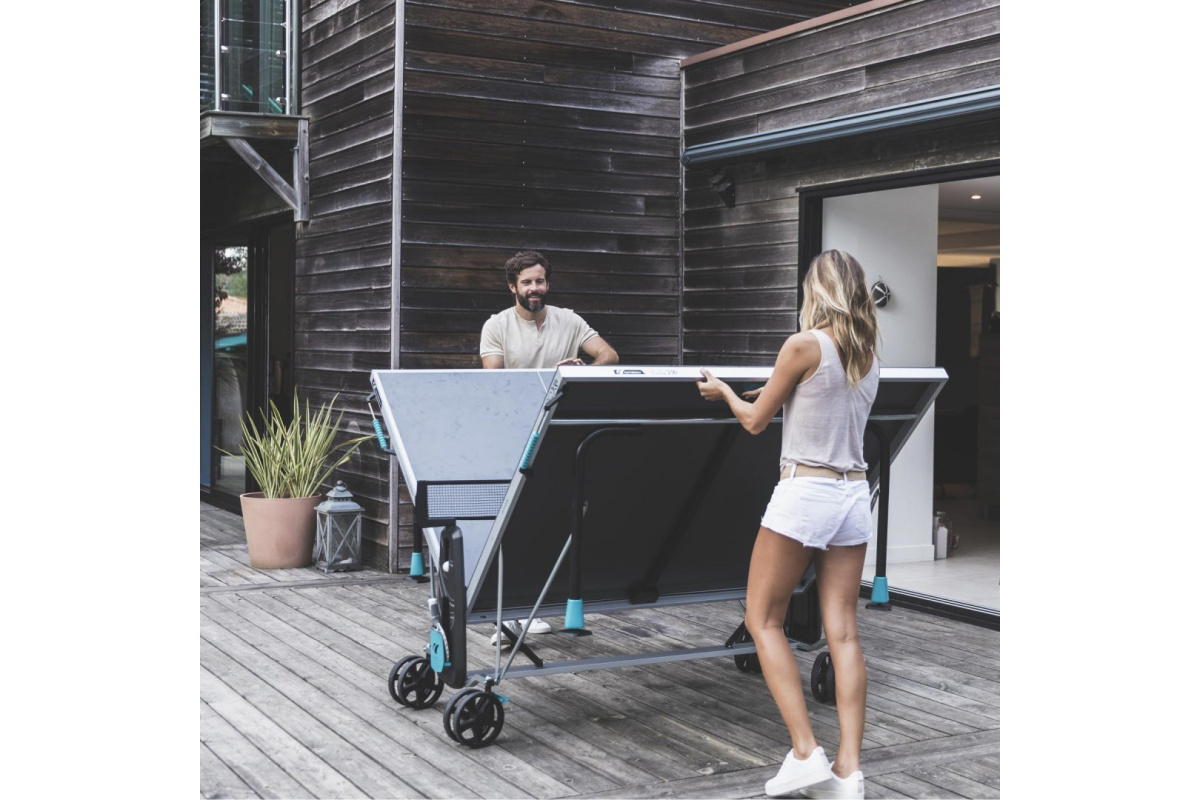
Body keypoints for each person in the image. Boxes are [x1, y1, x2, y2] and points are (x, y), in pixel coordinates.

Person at [696, 249, 879, 800]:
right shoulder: (867, 354)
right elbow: (823, 399)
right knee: (843, 631)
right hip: (854, 494)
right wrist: (779, 387)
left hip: (807, 493)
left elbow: (755, 422)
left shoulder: (803, 344)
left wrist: (725, 392)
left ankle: (804, 751)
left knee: (762, 619)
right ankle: (848, 771)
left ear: (817, 291)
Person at [481, 250, 619, 638]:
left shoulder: (568, 320)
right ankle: (505, 612)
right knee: (511, 523)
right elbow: (496, 381)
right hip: (513, 435)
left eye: (539, 281)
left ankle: (531, 607)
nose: (534, 288)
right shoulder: (496, 325)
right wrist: (552, 376)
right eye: (526, 282)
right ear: (512, 287)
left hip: (557, 433)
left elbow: (609, 354)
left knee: (548, 519)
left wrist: (583, 371)